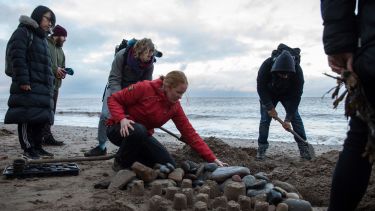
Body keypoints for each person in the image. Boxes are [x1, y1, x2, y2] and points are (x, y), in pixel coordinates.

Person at [106, 70, 227, 170]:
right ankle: (120, 162)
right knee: (139, 130)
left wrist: (212, 158)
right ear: (167, 87)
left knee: (169, 165)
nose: (180, 97)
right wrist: (121, 119)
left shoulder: (175, 107)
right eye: (178, 92)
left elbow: (189, 133)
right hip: (119, 129)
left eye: (183, 94)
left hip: (142, 136)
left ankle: (132, 160)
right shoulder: (144, 88)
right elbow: (113, 99)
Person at [321, 1, 375, 210]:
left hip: (370, 50)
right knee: (361, 137)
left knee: (360, 136)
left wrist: (338, 43)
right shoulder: (266, 71)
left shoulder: (296, 76)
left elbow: (294, 96)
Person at [84, 38, 157, 157]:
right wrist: (118, 99)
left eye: (151, 55)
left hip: (133, 90)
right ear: (139, 52)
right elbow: (114, 79)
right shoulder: (121, 56)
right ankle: (101, 146)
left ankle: (128, 146)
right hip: (115, 86)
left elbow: (146, 85)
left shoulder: (150, 64)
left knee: (134, 117)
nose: (150, 57)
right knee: (105, 115)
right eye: (147, 54)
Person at [4, 5, 56, 159]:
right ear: (38, 15)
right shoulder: (23, 32)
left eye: (52, 22)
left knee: (39, 118)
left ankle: (38, 147)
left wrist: (50, 84)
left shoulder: (43, 39)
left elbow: (45, 65)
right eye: (48, 19)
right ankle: (28, 148)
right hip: (28, 84)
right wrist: (23, 80)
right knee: (26, 116)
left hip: (42, 86)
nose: (49, 24)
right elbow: (17, 57)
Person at [256, 44, 313, 160]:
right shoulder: (267, 65)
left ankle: (304, 148)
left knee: (295, 118)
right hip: (269, 92)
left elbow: (297, 96)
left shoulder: (298, 71)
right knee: (264, 120)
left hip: (289, 95)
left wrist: (288, 119)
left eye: (287, 75)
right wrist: (269, 106)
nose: (285, 77)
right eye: (282, 74)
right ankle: (261, 149)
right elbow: (261, 87)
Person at [41, 24, 68, 146]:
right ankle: (40, 136)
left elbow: (61, 67)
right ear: (57, 35)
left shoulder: (61, 51)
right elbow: (42, 62)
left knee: (51, 112)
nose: (65, 40)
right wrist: (54, 69)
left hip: (56, 86)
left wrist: (63, 72)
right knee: (42, 112)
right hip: (44, 84)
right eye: (64, 37)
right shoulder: (45, 43)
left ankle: (47, 136)